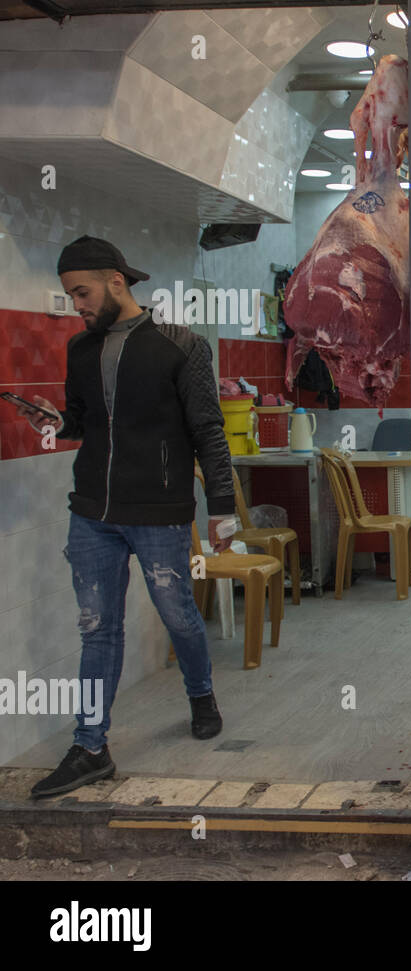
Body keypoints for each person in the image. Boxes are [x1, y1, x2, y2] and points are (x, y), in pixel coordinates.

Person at [14, 236, 240, 798]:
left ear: (117, 281)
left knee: (178, 614)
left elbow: (208, 430)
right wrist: (53, 420)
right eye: (70, 296)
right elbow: (81, 422)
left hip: (159, 510)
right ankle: (91, 745)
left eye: (83, 292)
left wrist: (223, 509)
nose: (78, 305)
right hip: (92, 512)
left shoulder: (180, 346)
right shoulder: (80, 351)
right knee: (97, 628)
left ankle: (201, 691)